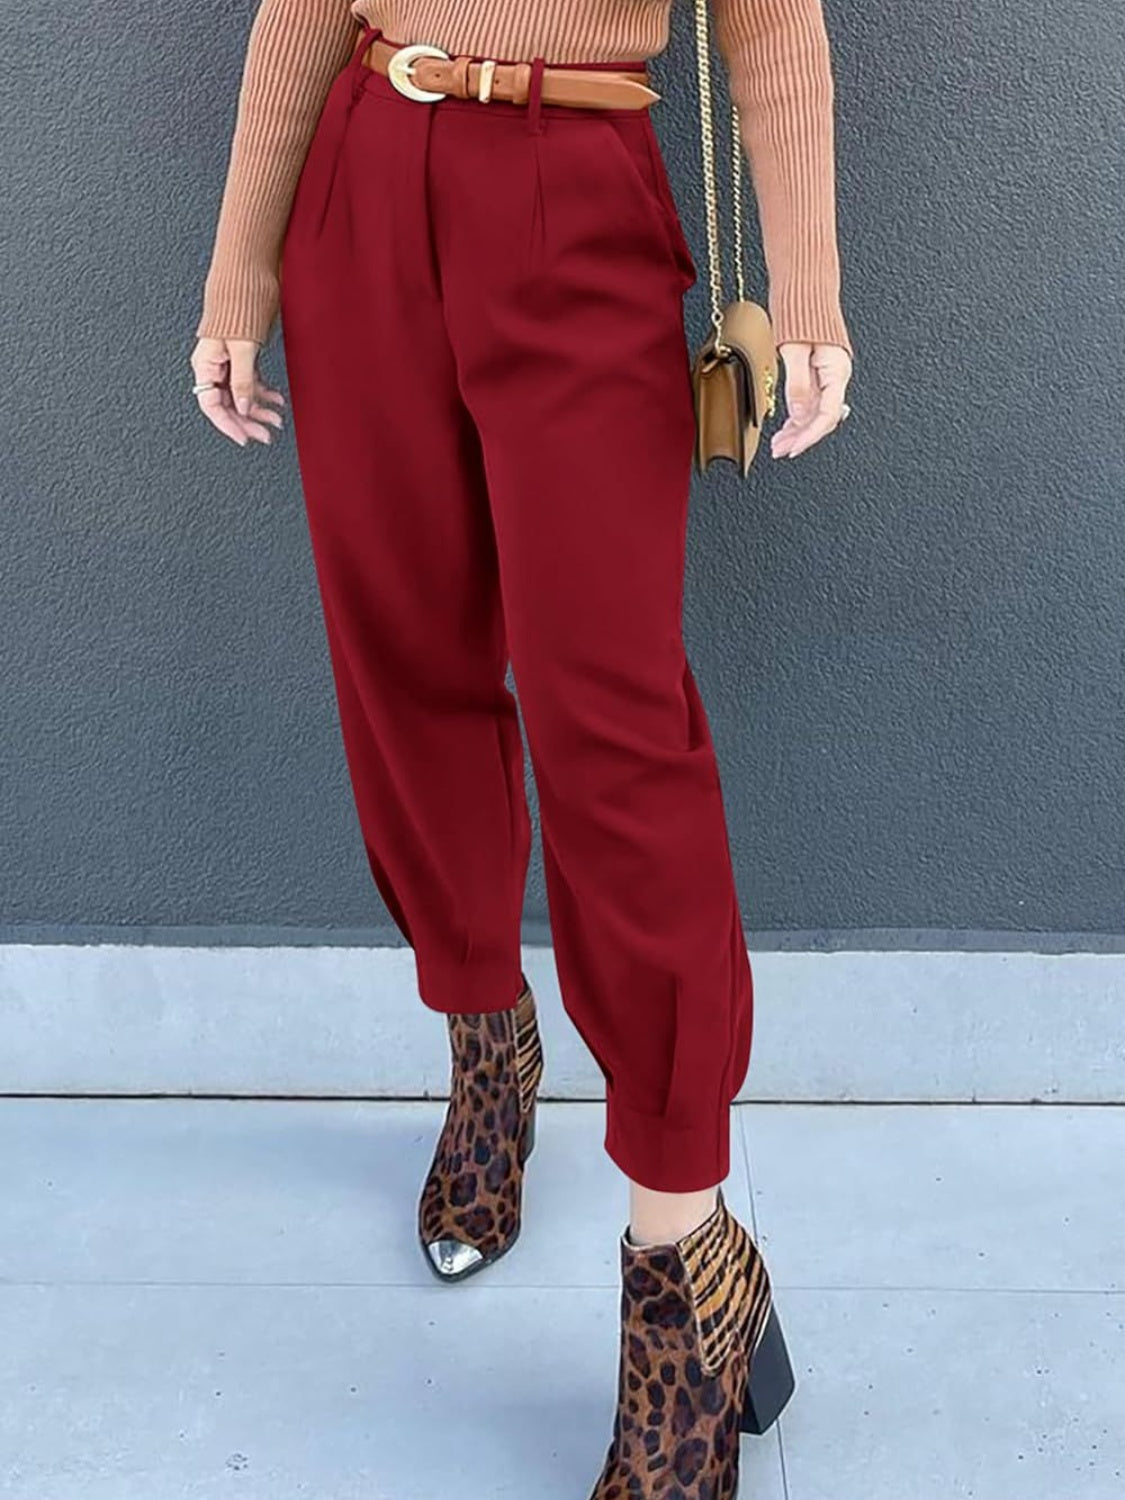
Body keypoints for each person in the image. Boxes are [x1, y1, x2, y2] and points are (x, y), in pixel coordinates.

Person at [190, 2, 853, 1493]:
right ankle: (486, 1037)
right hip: (365, 184)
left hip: (578, 186)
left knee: (613, 721)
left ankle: (685, 1254)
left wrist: (808, 290)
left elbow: (771, 26)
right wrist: (241, 266)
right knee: (406, 661)